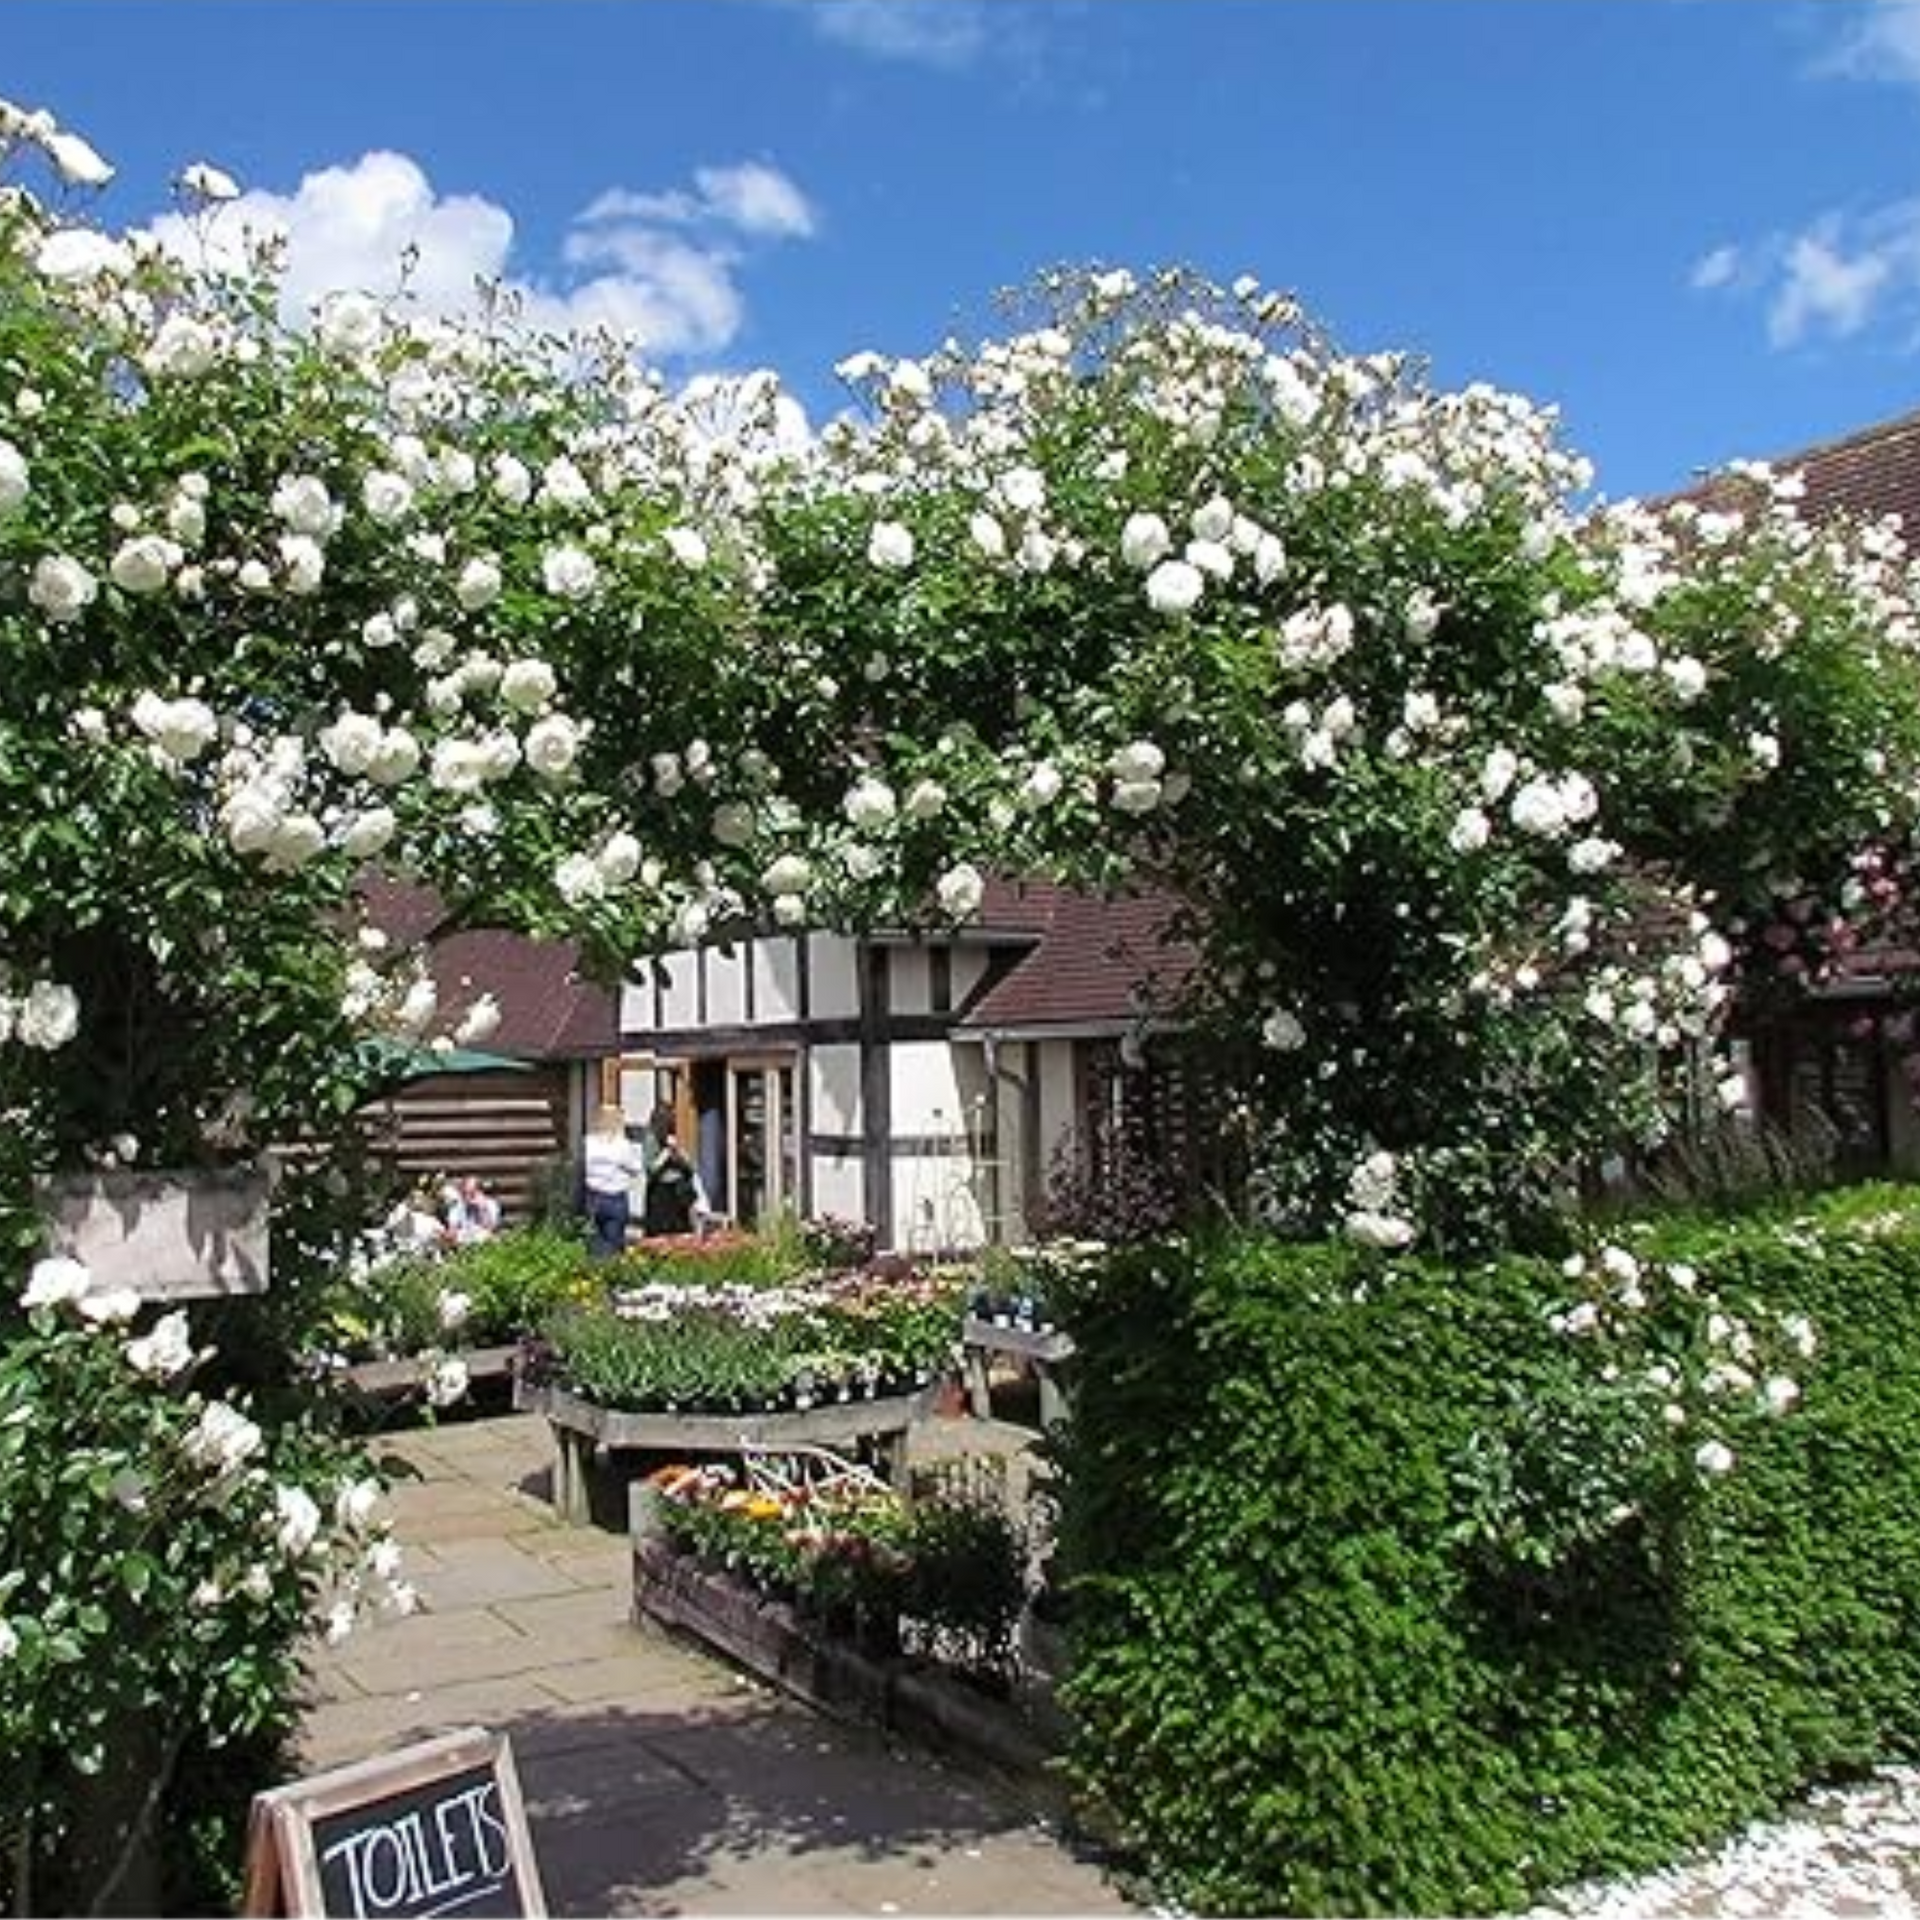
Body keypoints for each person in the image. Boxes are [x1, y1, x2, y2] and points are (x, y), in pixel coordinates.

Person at [581, 1103, 644, 1260]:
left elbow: (579, 1166)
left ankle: (594, 1277)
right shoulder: (622, 1145)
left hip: (592, 1197)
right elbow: (636, 1169)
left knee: (593, 1245)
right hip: (615, 1198)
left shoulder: (588, 1142)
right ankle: (613, 1278)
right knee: (614, 1246)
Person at [641, 1131, 706, 1237]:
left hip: (678, 1193)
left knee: (680, 1231)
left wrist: (679, 1154)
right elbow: (650, 1170)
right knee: (660, 1232)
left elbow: (691, 1168)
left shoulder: (678, 1138)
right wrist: (665, 1154)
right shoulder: (651, 1140)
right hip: (660, 1193)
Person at [445, 1175, 502, 1243]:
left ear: (479, 1192)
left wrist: (483, 1209)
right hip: (464, 1236)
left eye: (472, 1194)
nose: (468, 1197)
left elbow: (491, 1228)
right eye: (465, 1193)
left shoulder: (491, 1204)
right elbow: (453, 1228)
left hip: (482, 1235)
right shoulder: (458, 1206)